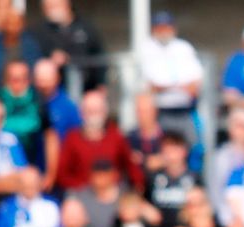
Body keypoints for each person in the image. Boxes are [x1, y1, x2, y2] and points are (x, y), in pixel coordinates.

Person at [57, 91, 142, 192]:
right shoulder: (72, 139)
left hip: (113, 195)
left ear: (105, 112)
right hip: (82, 195)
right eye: (89, 111)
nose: (94, 116)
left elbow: (131, 167)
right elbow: (62, 174)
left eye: (97, 111)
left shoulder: (116, 136)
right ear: (81, 113)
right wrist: (82, 188)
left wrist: (137, 188)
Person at [139, 12, 204, 141]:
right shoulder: (147, 49)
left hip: (186, 109)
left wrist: (168, 87)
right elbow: (153, 85)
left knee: (192, 144)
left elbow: (194, 83)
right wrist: (178, 86)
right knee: (164, 147)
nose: (164, 31)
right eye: (160, 27)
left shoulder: (184, 48)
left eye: (167, 27)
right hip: (161, 111)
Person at [34, 0, 105, 92]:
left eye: (54, 5)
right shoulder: (39, 32)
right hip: (54, 92)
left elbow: (99, 57)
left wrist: (101, 85)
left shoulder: (86, 28)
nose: (50, 10)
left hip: (87, 88)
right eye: (47, 7)